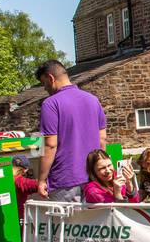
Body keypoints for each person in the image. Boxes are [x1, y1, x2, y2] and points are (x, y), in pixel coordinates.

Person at [35, 60, 106, 202]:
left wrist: (41, 179)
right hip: (93, 179)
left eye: (44, 84)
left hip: (65, 180)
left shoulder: (50, 104)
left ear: (51, 78)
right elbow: (102, 140)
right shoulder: (93, 100)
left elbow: (50, 145)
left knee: (67, 224)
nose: (45, 89)